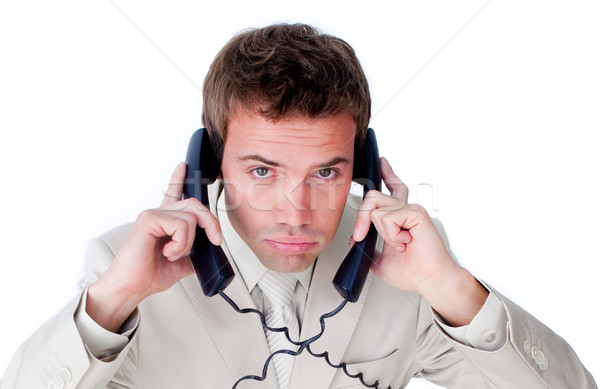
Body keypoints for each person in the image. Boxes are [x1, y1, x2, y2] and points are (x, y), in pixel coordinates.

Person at [1, 23, 596, 389]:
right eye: (262, 171)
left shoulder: (409, 268)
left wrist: (456, 293)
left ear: (361, 169)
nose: (297, 210)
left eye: (327, 171)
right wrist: (109, 305)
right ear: (210, 166)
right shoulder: (122, 263)